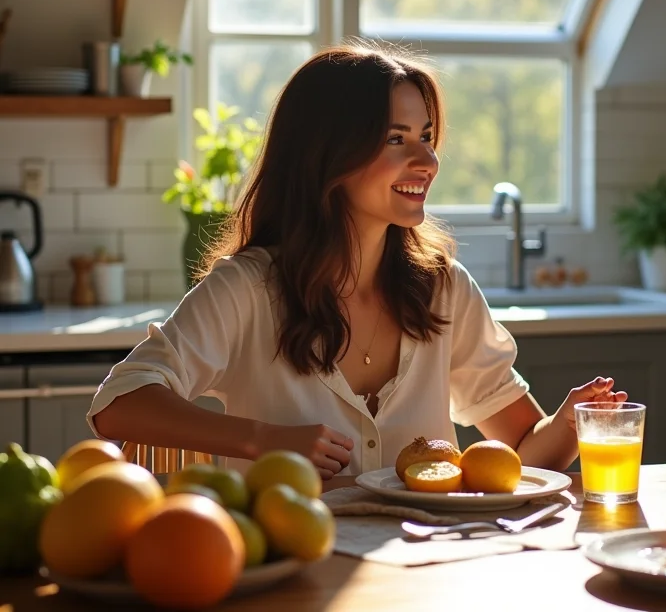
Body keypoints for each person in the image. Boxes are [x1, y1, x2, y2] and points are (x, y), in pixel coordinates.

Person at [88, 43, 626, 480]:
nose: (427, 160)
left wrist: (573, 421)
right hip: (294, 575)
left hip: (425, 572)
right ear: (328, 155)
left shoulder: (444, 290)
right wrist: (264, 440)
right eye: (396, 139)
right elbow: (119, 401)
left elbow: (521, 455)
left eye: (427, 138)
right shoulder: (249, 289)